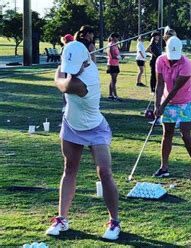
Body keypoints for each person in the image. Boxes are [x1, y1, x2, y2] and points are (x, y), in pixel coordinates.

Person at [46, 41, 120, 240]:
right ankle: (62, 218)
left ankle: (114, 222)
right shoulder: (86, 62)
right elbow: (69, 66)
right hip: (71, 124)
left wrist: (59, 70)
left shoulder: (83, 82)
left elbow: (61, 83)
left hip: (95, 128)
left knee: (104, 172)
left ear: (84, 62)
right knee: (69, 169)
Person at [152, 36, 191, 179]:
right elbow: (160, 85)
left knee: (185, 134)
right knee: (166, 133)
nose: (172, 60)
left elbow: (175, 89)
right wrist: (157, 105)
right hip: (167, 102)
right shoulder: (160, 61)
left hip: (185, 101)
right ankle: (164, 167)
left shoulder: (187, 64)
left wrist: (162, 106)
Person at [106, 33, 121, 101]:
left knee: (113, 80)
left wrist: (119, 57)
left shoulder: (115, 45)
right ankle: (115, 95)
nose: (117, 39)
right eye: (116, 38)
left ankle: (110, 95)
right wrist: (118, 57)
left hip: (115, 64)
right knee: (114, 80)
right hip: (112, 64)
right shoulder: (111, 45)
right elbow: (112, 56)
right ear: (113, 37)